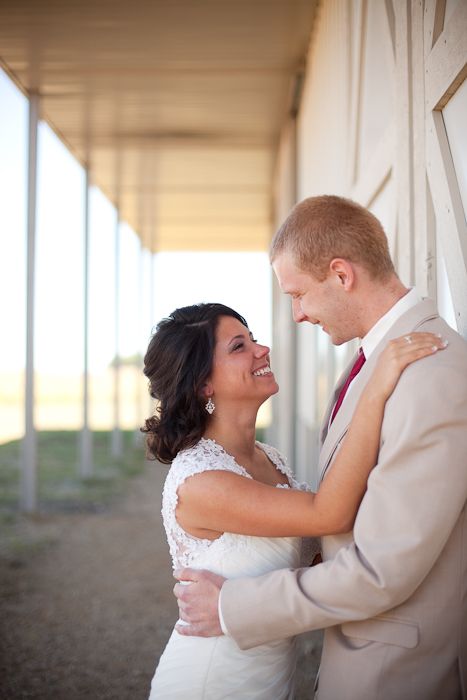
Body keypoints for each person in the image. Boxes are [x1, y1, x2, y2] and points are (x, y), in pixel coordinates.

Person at [174, 196, 467, 700]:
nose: (298, 315)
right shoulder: (378, 363)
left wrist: (234, 606)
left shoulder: (429, 376)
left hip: (398, 669)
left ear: (341, 274)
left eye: (299, 294)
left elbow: (381, 568)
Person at [143, 301, 446, 699]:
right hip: (213, 680)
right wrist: (375, 391)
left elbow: (322, 551)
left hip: (271, 675)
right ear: (204, 385)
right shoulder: (201, 481)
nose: (261, 349)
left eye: (252, 338)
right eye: (239, 346)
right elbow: (330, 514)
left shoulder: (270, 459)